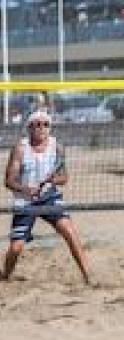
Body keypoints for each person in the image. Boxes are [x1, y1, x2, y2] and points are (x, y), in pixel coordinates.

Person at [1, 110, 90, 284]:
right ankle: (5, 275)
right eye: (38, 124)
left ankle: (88, 277)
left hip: (49, 197)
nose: (42, 128)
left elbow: (64, 178)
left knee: (70, 232)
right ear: (29, 127)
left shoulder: (57, 147)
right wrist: (26, 189)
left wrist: (53, 179)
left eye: (46, 124)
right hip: (25, 201)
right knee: (16, 248)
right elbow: (8, 181)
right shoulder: (21, 148)